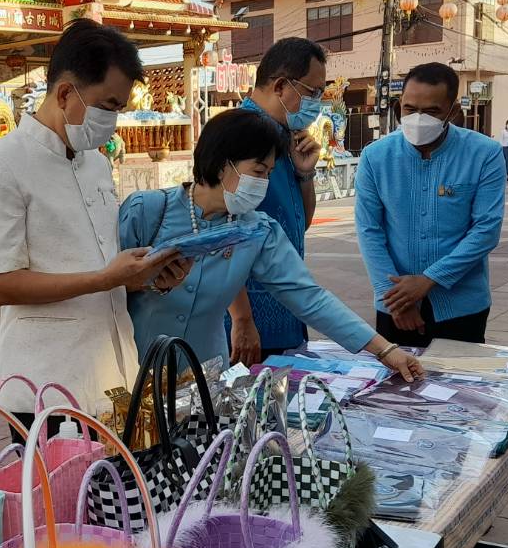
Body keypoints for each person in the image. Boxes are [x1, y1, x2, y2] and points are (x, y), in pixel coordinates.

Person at [0, 18, 186, 431]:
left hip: (115, 378)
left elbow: (104, 267)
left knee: (121, 494)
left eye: (119, 108)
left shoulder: (97, 165)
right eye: (107, 106)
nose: (113, 120)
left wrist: (147, 277)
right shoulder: (0, 166)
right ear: (65, 92)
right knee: (61, 496)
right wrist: (104, 278)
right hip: (47, 389)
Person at [120, 109, 422, 382]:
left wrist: (384, 350)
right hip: (133, 371)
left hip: (204, 377)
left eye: (268, 174)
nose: (263, 183)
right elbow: (108, 289)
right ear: (224, 164)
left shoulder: (256, 230)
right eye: (259, 171)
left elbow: (309, 298)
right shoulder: (147, 212)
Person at [355, 62, 506, 348]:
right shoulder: (375, 157)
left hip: (462, 306)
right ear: (400, 106)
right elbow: (369, 231)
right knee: (395, 388)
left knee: (460, 387)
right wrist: (398, 299)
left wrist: (428, 281)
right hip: (395, 305)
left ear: (453, 112)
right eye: (410, 109)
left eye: (432, 111)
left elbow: (486, 230)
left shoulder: (484, 153)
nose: (419, 118)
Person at [226, 37, 327, 365]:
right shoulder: (238, 133)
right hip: (251, 319)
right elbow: (220, 235)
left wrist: (305, 175)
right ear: (282, 86)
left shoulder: (286, 137)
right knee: (246, 414)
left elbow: (301, 223)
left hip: (286, 312)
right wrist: (241, 319)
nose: (318, 102)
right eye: (313, 92)